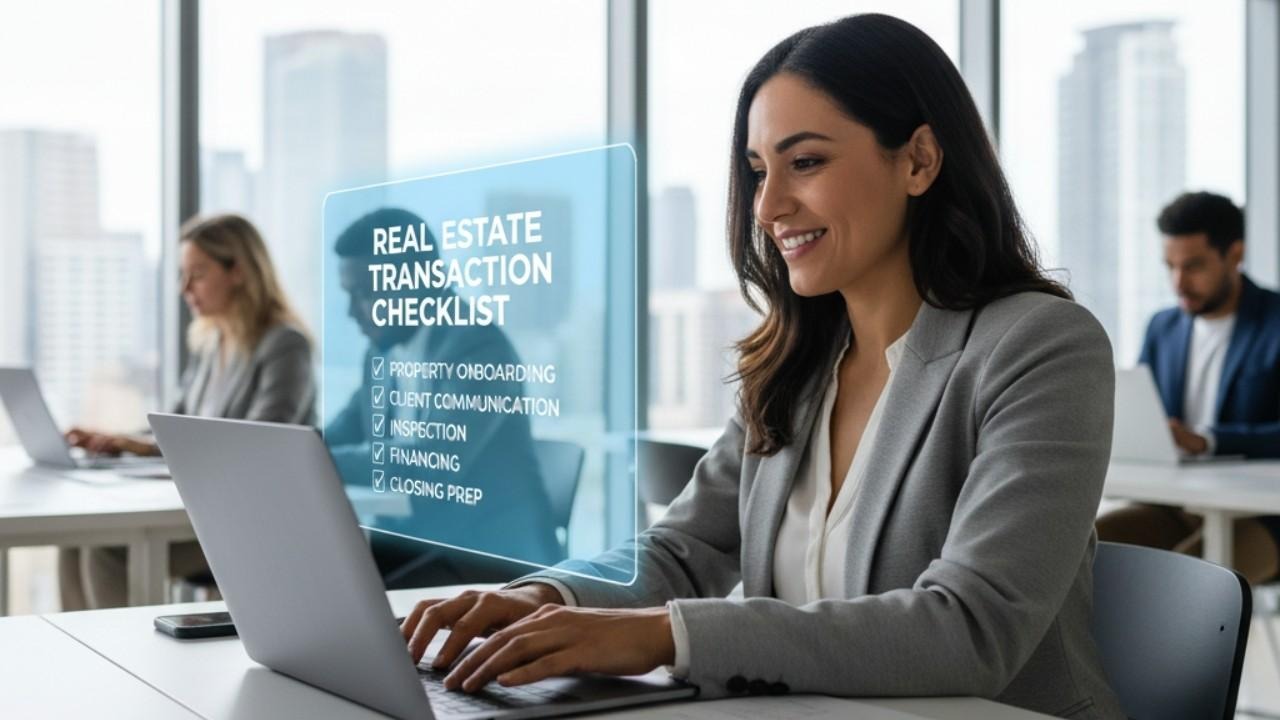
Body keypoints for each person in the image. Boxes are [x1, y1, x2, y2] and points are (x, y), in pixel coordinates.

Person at [396, 15, 1124, 719]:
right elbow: (688, 547)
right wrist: (551, 599)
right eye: (756, 171)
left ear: (919, 160)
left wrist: (664, 635)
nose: (769, 206)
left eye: (805, 162)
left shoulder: (1040, 347)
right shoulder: (794, 363)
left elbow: (971, 628)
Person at [60, 213, 316, 609]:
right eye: (183, 275)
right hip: (205, 508)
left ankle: (121, 665)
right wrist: (121, 441)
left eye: (197, 274)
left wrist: (143, 448)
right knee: (76, 540)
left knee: (106, 550)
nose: (184, 288)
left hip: (255, 522)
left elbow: (261, 441)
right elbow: (174, 426)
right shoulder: (211, 343)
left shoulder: (285, 345)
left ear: (239, 271)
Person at [325, 207, 561, 587]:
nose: (352, 312)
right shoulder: (380, 353)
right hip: (411, 548)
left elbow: (434, 459)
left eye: (364, 293)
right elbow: (338, 433)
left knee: (334, 591)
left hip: (489, 562)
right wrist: (290, 453)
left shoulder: (479, 346)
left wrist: (319, 461)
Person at [1096, 191, 1280, 584]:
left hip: (1265, 517)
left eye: (1193, 266)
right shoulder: (1163, 327)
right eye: (1170, 267)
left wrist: (1208, 441)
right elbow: (1146, 413)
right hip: (1176, 505)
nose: (1178, 283)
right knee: (1084, 550)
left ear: (1234, 254)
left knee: (1182, 589)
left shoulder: (1274, 321)